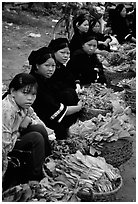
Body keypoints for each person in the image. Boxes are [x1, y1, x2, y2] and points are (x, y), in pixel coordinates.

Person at [2, 73, 52, 186]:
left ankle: (47, 163)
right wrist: (19, 129)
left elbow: (38, 121)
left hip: (14, 139)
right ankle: (33, 180)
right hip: (6, 147)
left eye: (33, 94)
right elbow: (4, 146)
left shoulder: (24, 106)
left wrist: (28, 120)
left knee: (39, 129)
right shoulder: (6, 110)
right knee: (36, 138)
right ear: (13, 91)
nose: (30, 98)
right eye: (25, 93)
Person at [29, 47, 82, 140]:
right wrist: (78, 108)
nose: (51, 69)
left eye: (53, 66)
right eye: (47, 65)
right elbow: (52, 109)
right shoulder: (35, 84)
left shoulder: (47, 80)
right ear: (37, 65)